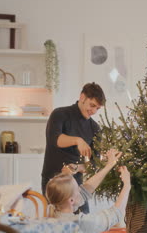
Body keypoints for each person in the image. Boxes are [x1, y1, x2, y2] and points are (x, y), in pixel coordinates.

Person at [41, 82, 106, 214]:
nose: (93, 111)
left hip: (75, 185)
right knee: (57, 224)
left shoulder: (95, 128)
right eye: (92, 105)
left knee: (83, 224)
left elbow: (94, 164)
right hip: (53, 182)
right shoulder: (59, 114)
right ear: (82, 97)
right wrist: (78, 140)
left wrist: (77, 168)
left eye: (97, 108)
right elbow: (56, 140)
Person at [46, 149, 131, 233]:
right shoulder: (79, 224)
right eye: (77, 189)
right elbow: (115, 214)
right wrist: (127, 184)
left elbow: (85, 190)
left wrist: (109, 165)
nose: (80, 189)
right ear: (71, 200)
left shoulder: (53, 211)